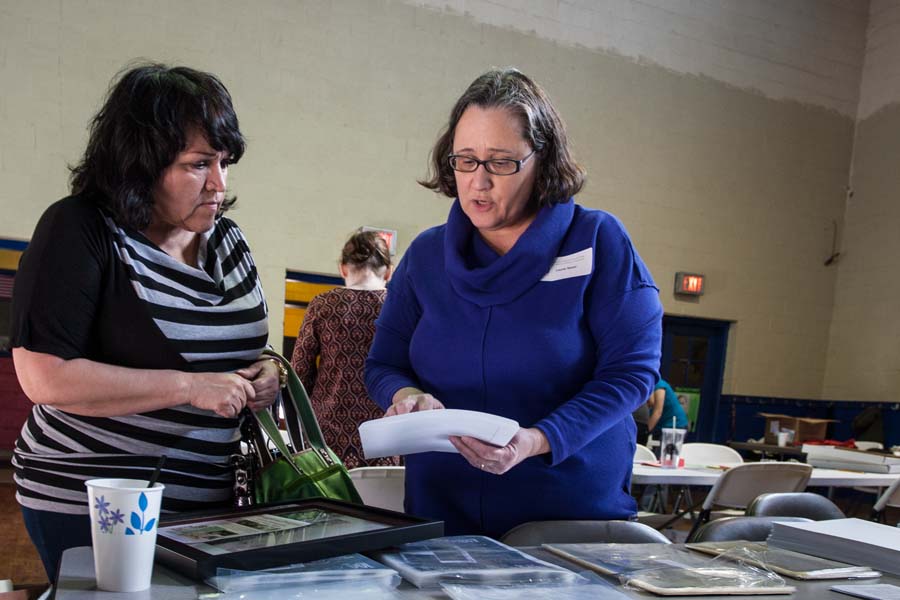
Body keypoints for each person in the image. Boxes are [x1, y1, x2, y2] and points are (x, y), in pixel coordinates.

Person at [9, 63, 280, 580]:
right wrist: (188, 387)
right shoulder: (81, 229)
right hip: (92, 497)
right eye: (199, 164)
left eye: (225, 162)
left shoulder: (229, 240)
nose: (219, 183)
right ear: (142, 163)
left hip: (205, 505)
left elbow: (230, 346)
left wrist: (265, 372)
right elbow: (43, 376)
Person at [365, 69, 663, 537]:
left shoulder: (598, 241)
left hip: (565, 514)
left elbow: (632, 374)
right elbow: (384, 364)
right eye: (465, 160)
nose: (478, 183)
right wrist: (406, 397)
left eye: (501, 163)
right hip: (441, 512)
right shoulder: (426, 256)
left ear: (541, 161)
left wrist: (536, 440)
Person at [291, 231, 399, 469]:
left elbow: (298, 372)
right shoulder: (397, 307)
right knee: (381, 502)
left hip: (327, 431)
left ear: (342, 268)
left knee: (332, 501)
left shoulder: (323, 304)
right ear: (389, 271)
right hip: (387, 430)